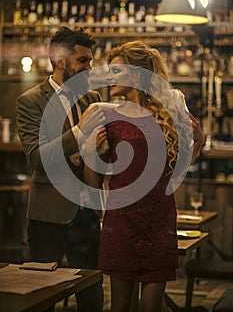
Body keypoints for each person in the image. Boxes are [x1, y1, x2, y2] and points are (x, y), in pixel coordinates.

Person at [83, 41, 205, 312]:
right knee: (120, 306)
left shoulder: (169, 114)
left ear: (137, 74)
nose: (109, 76)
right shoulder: (108, 117)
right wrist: (90, 153)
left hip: (159, 220)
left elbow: (176, 171)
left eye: (116, 70)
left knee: (151, 307)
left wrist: (198, 144)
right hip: (121, 221)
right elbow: (94, 182)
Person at [16, 26, 106, 312]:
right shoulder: (30, 101)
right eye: (83, 61)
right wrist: (80, 133)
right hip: (49, 218)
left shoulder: (92, 99)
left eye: (91, 60)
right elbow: (37, 159)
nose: (89, 67)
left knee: (92, 296)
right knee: (42, 297)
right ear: (60, 61)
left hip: (88, 214)